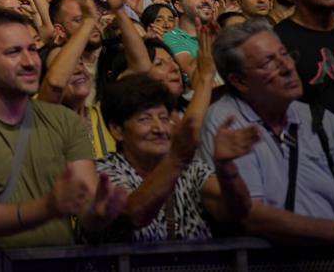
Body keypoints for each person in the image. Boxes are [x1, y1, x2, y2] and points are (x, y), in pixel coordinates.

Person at [0, 8, 126, 248]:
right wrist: (46, 208)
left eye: (32, 50)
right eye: (14, 52)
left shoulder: (65, 121)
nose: (29, 62)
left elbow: (86, 208)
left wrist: (102, 212)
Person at [199, 18, 334, 245]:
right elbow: (252, 216)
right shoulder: (226, 123)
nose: (288, 68)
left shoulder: (321, 121)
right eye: (269, 62)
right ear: (239, 81)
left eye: (285, 55)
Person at [91, 69, 255, 242]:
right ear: (117, 130)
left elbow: (238, 212)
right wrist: (176, 159)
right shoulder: (102, 172)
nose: (159, 129)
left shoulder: (191, 169)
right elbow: (133, 214)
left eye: (163, 118)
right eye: (144, 119)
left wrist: (226, 167)